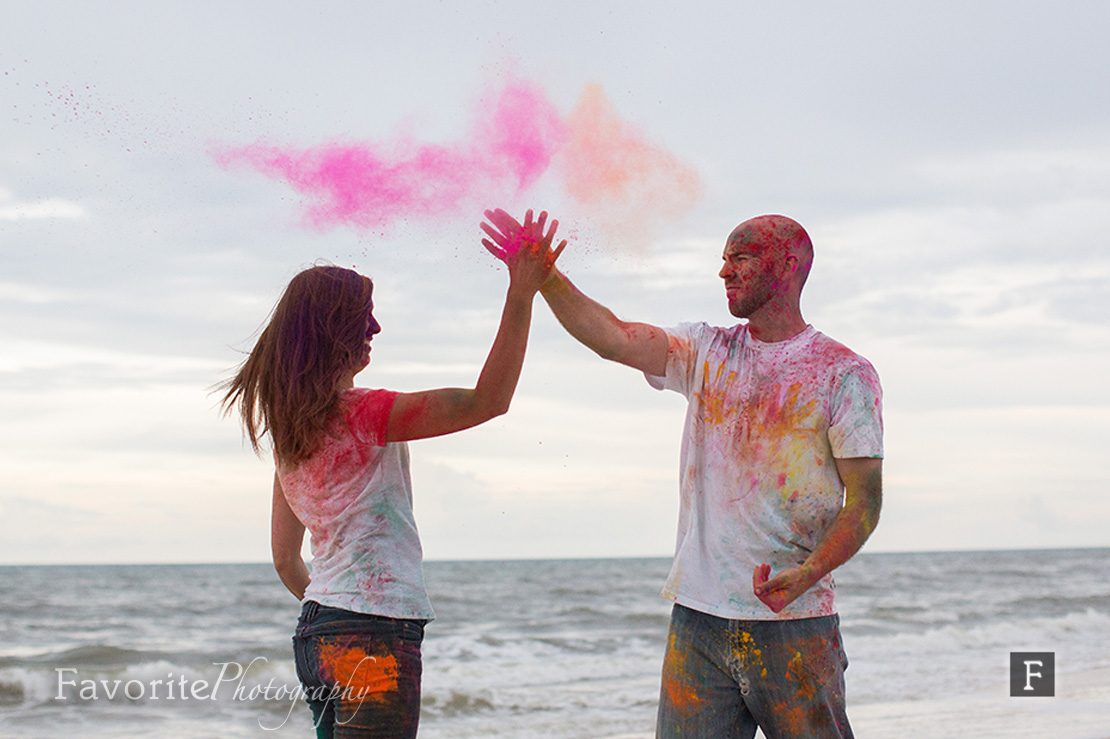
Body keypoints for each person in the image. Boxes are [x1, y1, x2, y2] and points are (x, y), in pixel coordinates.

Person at [481, 211, 883, 738]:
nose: (724, 272)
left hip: (796, 628)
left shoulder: (843, 373)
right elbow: (614, 337)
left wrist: (807, 575)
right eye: (723, 260)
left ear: (786, 265)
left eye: (739, 258)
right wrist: (547, 277)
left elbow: (865, 504)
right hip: (698, 624)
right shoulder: (707, 350)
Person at [221, 211, 565, 739]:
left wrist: (338, 612)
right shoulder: (365, 414)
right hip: (372, 637)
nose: (376, 329)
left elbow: (286, 562)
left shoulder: (289, 434)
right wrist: (522, 293)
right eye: (365, 317)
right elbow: (489, 401)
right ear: (331, 330)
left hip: (316, 635)